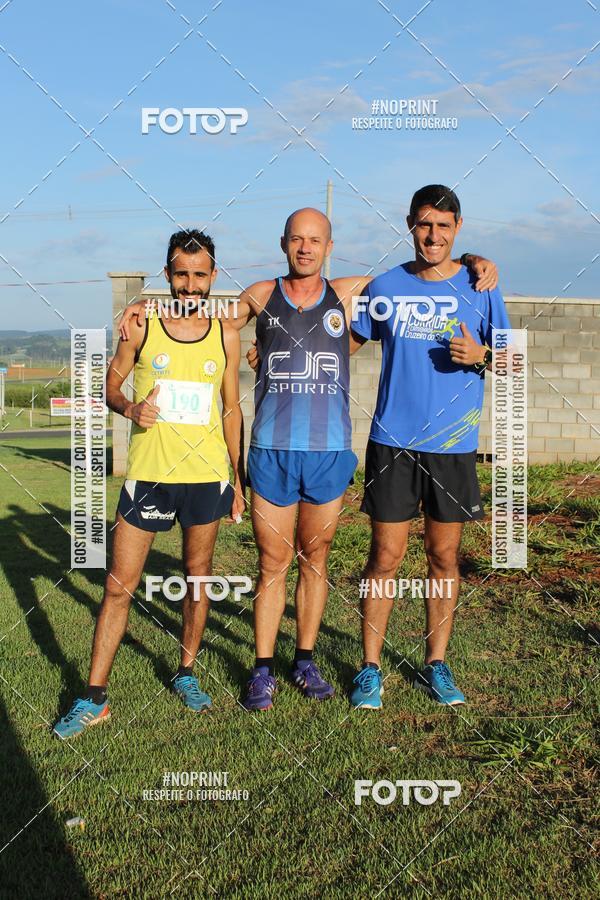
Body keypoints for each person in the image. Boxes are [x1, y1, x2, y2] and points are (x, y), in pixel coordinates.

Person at [177, 207, 495, 711]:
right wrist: (150, 312)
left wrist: (478, 260)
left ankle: (305, 660)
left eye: (316, 240)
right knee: (272, 563)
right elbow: (205, 318)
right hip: (272, 449)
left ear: (329, 245)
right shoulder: (260, 297)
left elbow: (429, 264)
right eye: (297, 239)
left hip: (328, 451)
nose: (306, 248)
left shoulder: (353, 292)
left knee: (316, 560)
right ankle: (262, 671)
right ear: (284, 243)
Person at [53, 230, 244, 739]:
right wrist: (131, 407)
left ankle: (185, 672)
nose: (190, 284)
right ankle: (94, 696)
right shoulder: (141, 323)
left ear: (212, 277)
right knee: (119, 585)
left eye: (199, 274)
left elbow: (231, 408)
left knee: (197, 576)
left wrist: (237, 479)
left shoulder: (226, 333)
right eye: (181, 273)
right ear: (167, 276)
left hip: (206, 476)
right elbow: (110, 384)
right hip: (149, 477)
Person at [348, 184, 511, 710]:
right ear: (409, 224)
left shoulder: (480, 283)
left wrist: (483, 354)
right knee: (385, 557)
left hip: (453, 445)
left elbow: (512, 361)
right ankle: (369, 669)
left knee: (444, 557)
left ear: (457, 229)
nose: (433, 234)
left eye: (443, 226)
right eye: (424, 224)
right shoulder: (385, 286)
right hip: (391, 441)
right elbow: (344, 335)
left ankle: (436, 663)